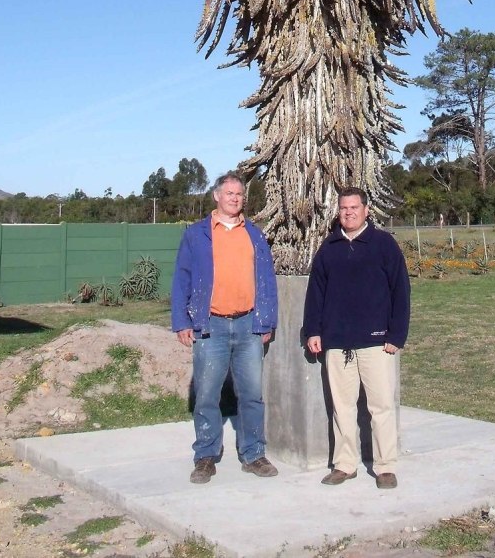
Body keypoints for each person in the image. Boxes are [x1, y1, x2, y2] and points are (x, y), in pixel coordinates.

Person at [171, 171, 279, 484]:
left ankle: (254, 454)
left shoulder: (255, 234)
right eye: (229, 193)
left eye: (239, 194)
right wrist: (181, 321)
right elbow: (182, 279)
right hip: (211, 327)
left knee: (251, 394)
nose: (234, 198)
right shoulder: (197, 234)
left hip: (248, 326)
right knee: (206, 394)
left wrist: (266, 320)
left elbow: (267, 281)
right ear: (216, 196)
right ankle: (206, 455)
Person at [303, 185, 410, 490]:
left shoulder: (383, 245)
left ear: (366, 210)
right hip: (337, 344)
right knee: (343, 407)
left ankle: (385, 466)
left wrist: (396, 334)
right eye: (343, 208)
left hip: (377, 342)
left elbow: (400, 291)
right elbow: (316, 295)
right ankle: (345, 464)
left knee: (381, 407)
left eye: (353, 208)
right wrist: (313, 330)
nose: (348, 213)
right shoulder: (329, 248)